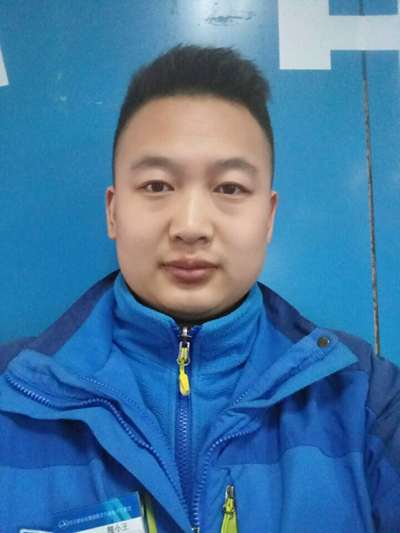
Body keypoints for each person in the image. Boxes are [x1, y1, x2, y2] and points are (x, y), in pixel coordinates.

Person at [0, 44, 399, 533]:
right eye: (157, 186)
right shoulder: (12, 394)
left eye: (229, 188)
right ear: (113, 211)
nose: (190, 226)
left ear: (268, 216)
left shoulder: (363, 398)